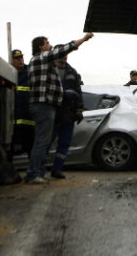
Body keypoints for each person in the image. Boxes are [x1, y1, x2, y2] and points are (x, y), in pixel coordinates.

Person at [24, 32, 94, 185]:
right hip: (44, 106)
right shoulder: (42, 58)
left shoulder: (42, 62)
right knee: (42, 142)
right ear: (41, 47)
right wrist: (83, 39)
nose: (50, 45)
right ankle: (33, 173)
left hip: (47, 107)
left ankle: (39, 172)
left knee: (44, 141)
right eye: (47, 43)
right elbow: (64, 50)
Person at [48, 45, 85, 179]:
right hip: (52, 112)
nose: (65, 55)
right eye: (62, 53)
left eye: (66, 53)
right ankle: (39, 169)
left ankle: (57, 169)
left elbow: (78, 92)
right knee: (46, 141)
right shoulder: (49, 69)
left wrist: (80, 109)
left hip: (67, 114)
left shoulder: (72, 72)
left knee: (64, 143)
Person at [9, 49, 34, 162]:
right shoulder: (8, 73)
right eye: (17, 58)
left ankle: (34, 172)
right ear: (11, 61)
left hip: (29, 120)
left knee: (30, 147)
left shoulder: (30, 72)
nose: (20, 60)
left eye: (21, 58)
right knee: (11, 148)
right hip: (13, 121)